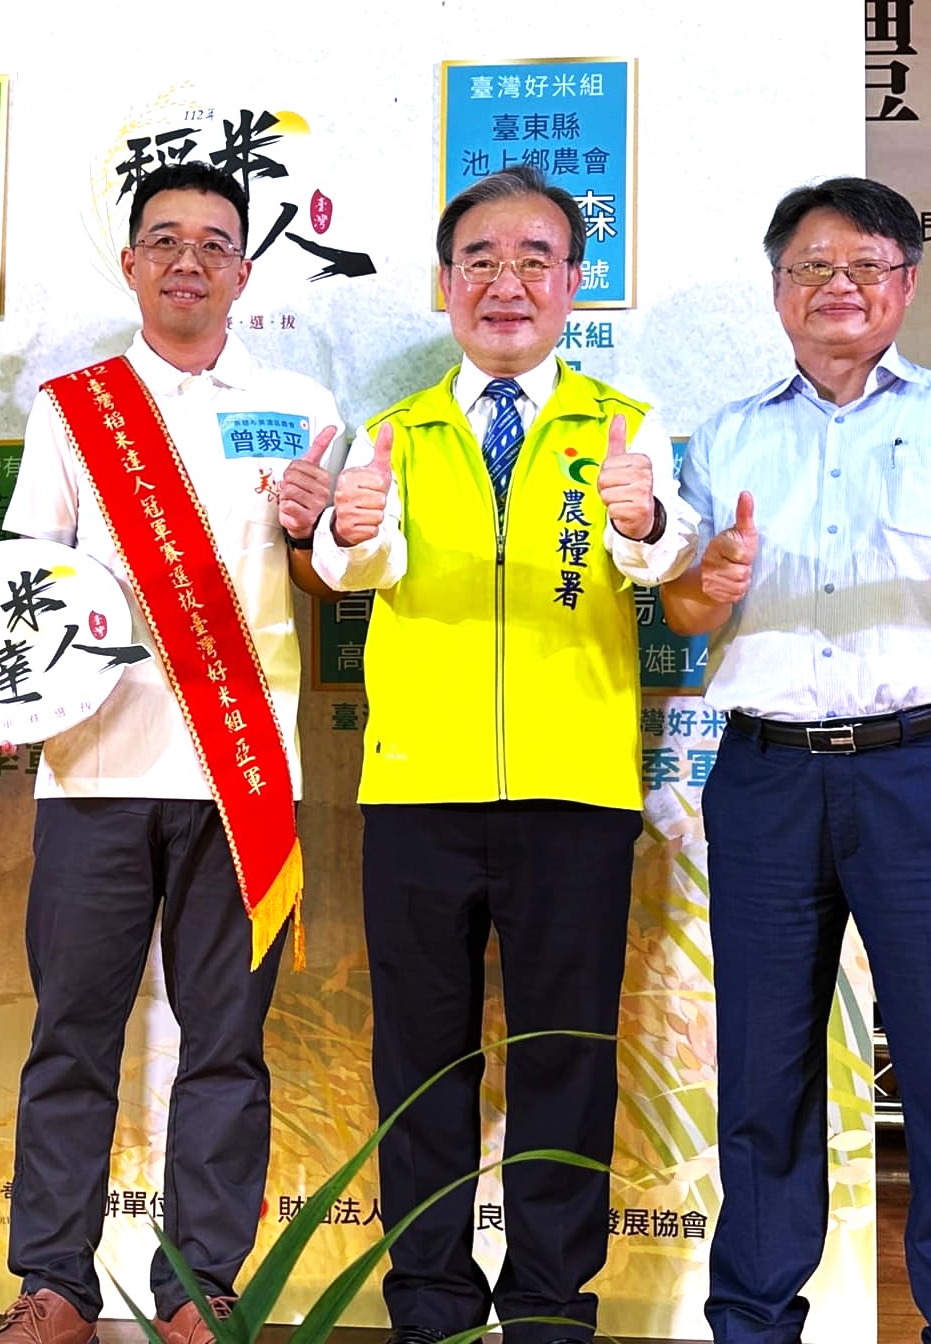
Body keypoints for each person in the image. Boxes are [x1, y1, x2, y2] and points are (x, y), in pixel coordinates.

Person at [661, 176, 931, 1344]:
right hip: (763, 776)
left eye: (864, 264)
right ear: (776, 288)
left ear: (905, 282)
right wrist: (704, 580)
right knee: (761, 1075)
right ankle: (752, 1320)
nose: (836, 286)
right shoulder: (727, 433)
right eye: (811, 265)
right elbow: (687, 611)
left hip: (920, 774)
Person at [312, 164, 698, 1344]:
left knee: (562, 1057)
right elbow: (351, 565)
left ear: (574, 282)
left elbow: (664, 555)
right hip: (417, 789)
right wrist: (345, 529)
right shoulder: (392, 431)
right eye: (478, 259)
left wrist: (641, 519)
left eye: (534, 258)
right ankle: (428, 1302)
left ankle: (546, 1304)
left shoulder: (623, 426)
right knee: (419, 1063)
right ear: (442, 284)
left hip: (573, 790)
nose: (505, 282)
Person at [0, 162, 344, 1344]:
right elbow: (29, 584)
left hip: (243, 780)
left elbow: (330, 580)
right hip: (92, 769)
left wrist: (312, 533)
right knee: (70, 1037)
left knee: (226, 1045)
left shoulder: (299, 407)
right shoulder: (72, 408)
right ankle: (52, 1283)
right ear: (131, 262)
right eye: (165, 239)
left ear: (244, 270)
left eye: (213, 242)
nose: (188, 260)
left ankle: (200, 1283)